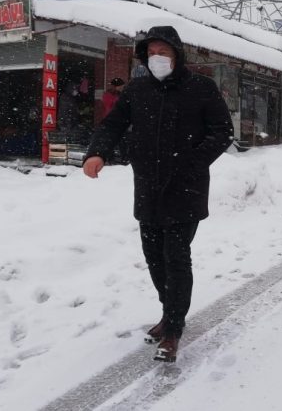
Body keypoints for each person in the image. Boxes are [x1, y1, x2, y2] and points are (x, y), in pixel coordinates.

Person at [82, 26, 234, 363]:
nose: (157, 59)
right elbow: (113, 125)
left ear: (177, 55)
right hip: (148, 189)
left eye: (163, 52)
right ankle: (169, 313)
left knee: (176, 258)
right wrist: (98, 152)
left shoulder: (201, 88)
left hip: (185, 190)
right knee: (154, 260)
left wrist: (192, 163)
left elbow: (222, 132)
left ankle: (174, 330)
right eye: (151, 53)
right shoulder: (137, 90)